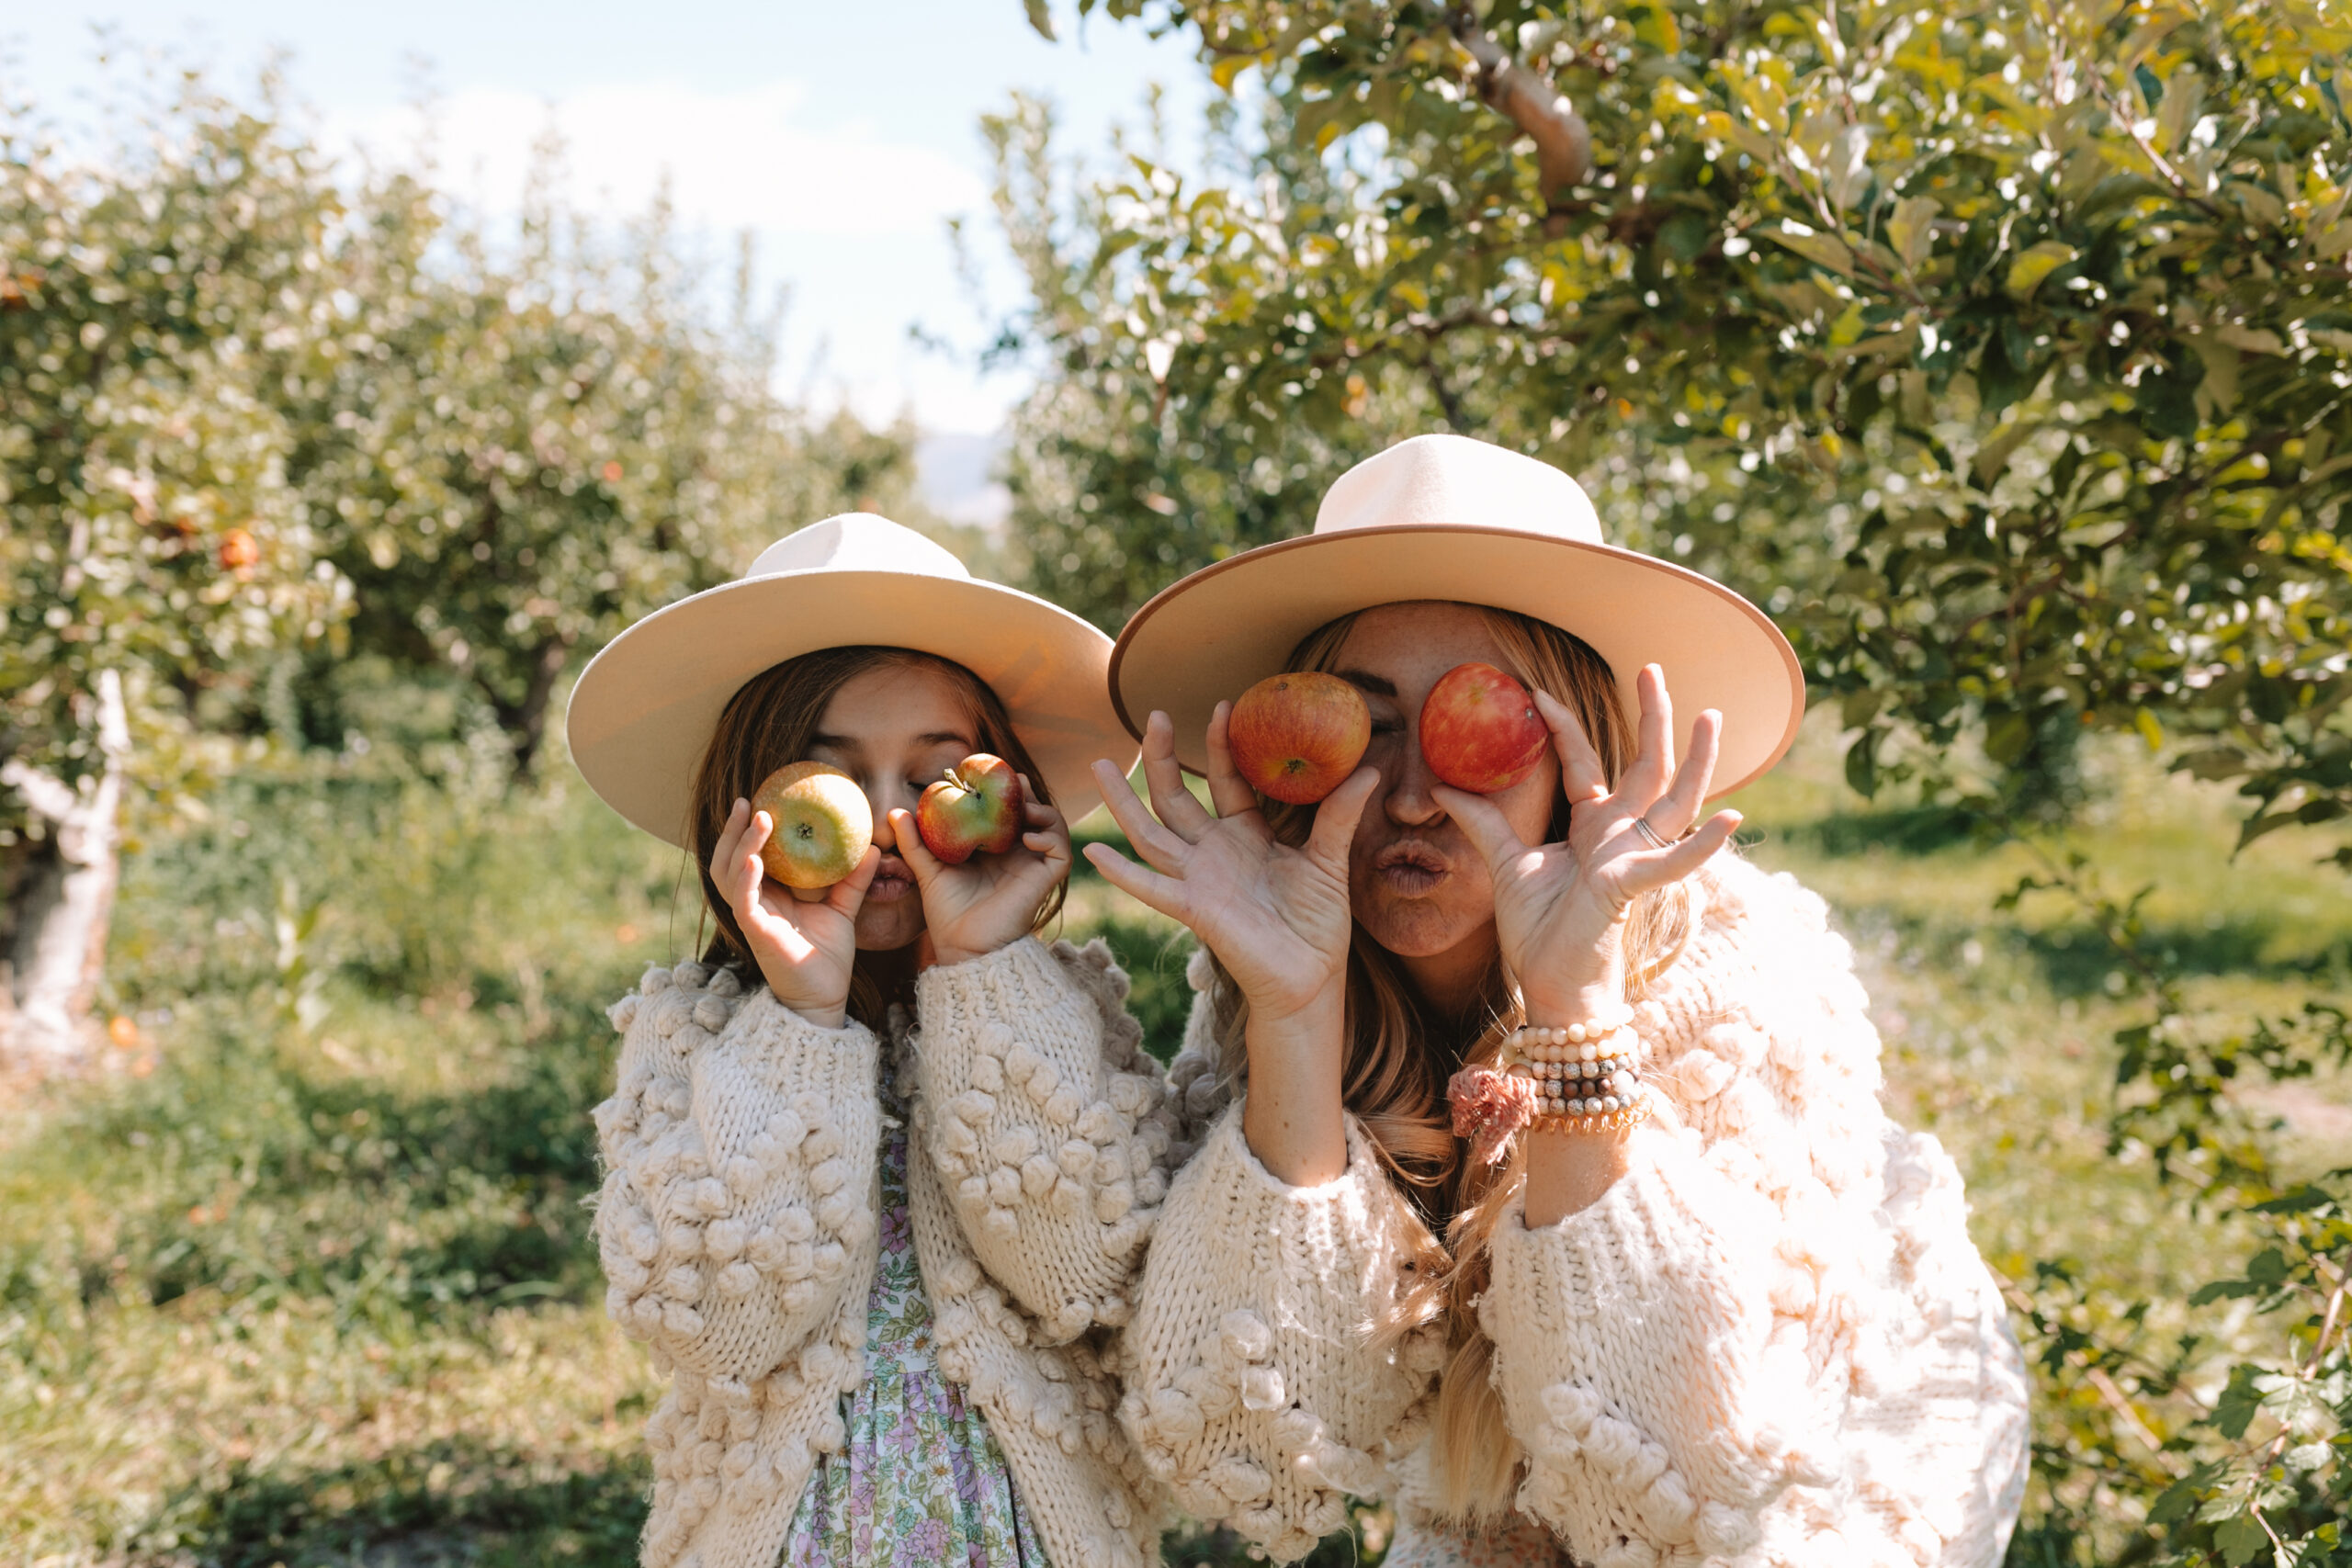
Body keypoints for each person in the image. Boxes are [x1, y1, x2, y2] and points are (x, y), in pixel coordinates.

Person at [1085, 434, 2030, 1566]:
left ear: (1579, 754)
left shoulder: (1734, 969)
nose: (1417, 796)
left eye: (1474, 732)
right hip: (1493, 1515)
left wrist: (1574, 1006)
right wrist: (1293, 1016)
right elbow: (1246, 1457)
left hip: (1824, 1502)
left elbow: (1681, 1481)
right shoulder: (1279, 978)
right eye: (1370, 724)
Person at [566, 514, 1171, 1568]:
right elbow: (716, 1327)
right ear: (750, 805)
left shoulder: (1063, 1012)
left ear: (1006, 792)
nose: (890, 822)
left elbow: (1088, 1275)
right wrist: (802, 1015)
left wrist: (984, 972)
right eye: (836, 779)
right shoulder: (694, 1037)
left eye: (935, 774)